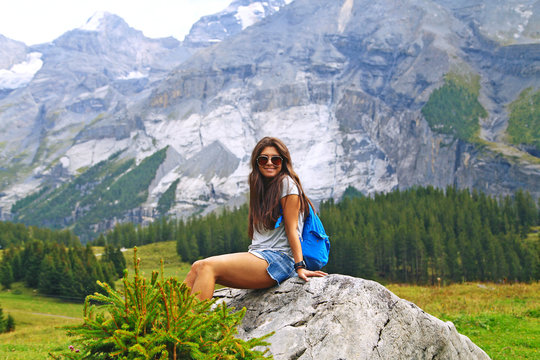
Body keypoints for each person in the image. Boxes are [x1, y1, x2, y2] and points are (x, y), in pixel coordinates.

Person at [184, 136, 327, 300]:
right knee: (197, 267)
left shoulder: (287, 184)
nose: (269, 162)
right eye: (263, 159)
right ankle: (170, 321)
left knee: (206, 267)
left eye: (276, 159)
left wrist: (299, 266)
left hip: (280, 260)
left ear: (283, 162)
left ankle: (192, 325)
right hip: (260, 256)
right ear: (257, 162)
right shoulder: (260, 185)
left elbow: (292, 229)